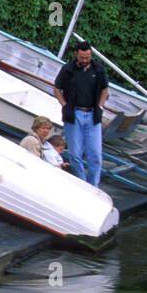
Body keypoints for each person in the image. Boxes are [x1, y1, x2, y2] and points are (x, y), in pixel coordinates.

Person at [53, 41, 108, 187]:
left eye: (87, 57)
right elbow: (57, 88)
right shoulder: (68, 69)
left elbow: (105, 89)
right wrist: (64, 104)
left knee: (95, 154)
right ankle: (82, 184)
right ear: (76, 54)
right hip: (74, 113)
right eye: (82, 58)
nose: (85, 61)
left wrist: (100, 106)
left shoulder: (98, 69)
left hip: (92, 114)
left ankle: (94, 185)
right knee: (75, 154)